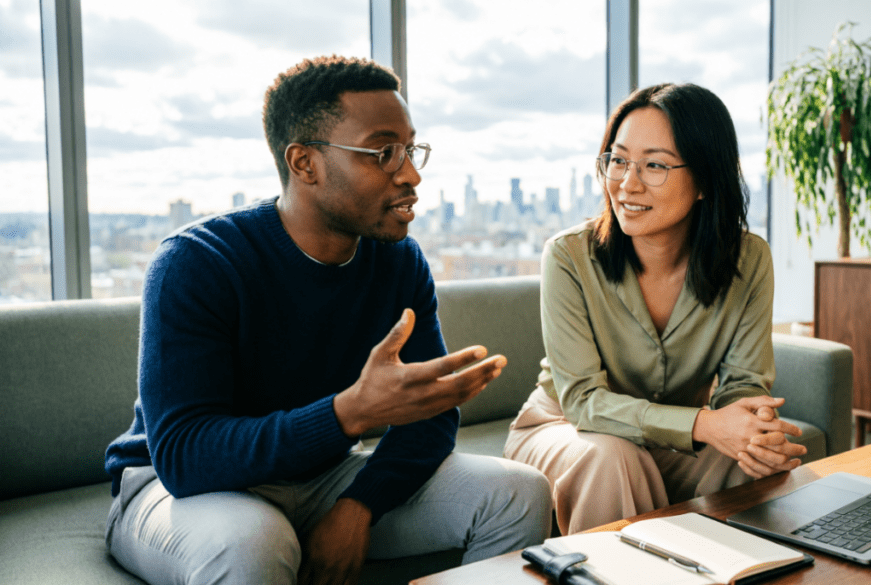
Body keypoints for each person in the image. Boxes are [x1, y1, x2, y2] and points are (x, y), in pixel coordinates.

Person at [103, 55, 551, 585]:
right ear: (304, 164)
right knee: (252, 544)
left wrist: (358, 507)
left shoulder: (398, 261)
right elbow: (184, 456)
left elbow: (430, 416)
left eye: (410, 150)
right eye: (383, 153)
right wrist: (347, 414)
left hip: (323, 476)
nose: (411, 174)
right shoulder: (197, 262)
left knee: (521, 492)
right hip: (179, 489)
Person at [503, 83, 807, 535]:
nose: (627, 183)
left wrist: (754, 431)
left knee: (754, 464)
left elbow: (742, 384)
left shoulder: (748, 260)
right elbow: (584, 403)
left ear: (705, 179)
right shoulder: (568, 256)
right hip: (568, 431)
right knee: (614, 457)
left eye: (655, 165)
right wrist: (703, 424)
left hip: (670, 444)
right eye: (619, 160)